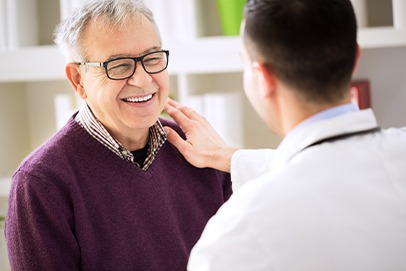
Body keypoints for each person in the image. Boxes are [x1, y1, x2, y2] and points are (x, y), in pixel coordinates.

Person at [163, 0, 406, 270]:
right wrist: (232, 158)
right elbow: (331, 167)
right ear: (356, 59)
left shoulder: (236, 236)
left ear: (262, 77)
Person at [5, 0, 232, 270]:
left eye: (153, 58)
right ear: (78, 79)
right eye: (120, 65)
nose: (143, 79)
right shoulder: (41, 184)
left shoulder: (201, 149)